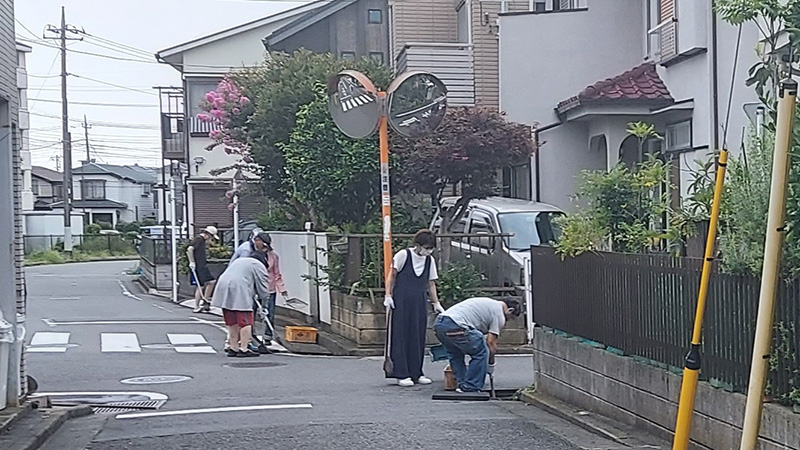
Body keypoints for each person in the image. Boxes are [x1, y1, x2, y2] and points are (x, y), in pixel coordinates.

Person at [384, 229, 445, 387]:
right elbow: (392, 275)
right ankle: (401, 373)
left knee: (418, 336)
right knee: (400, 335)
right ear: (417, 245)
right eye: (426, 247)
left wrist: (436, 303)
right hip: (401, 301)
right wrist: (388, 295)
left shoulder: (429, 261)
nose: (428, 251)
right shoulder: (403, 255)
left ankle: (416, 372)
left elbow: (431, 283)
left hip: (419, 302)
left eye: (431, 248)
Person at [433, 297, 521, 393]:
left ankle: (462, 384)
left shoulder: (487, 302)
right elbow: (491, 343)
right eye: (510, 318)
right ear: (510, 310)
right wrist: (491, 364)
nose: (507, 321)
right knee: (481, 352)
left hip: (439, 324)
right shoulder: (499, 313)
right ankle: (471, 386)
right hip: (456, 325)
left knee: (455, 354)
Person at [211, 252, 271, 358]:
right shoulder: (258, 265)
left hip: (223, 285)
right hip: (238, 287)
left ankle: (233, 347)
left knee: (232, 321)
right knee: (246, 321)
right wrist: (265, 303)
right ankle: (244, 348)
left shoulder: (239, 261)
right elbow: (263, 286)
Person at [187, 225, 218, 313]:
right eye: (211, 237)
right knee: (205, 284)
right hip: (199, 266)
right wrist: (192, 262)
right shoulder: (199, 239)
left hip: (201, 265)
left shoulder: (201, 240)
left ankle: (205, 301)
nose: (211, 239)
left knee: (205, 284)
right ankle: (199, 304)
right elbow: (190, 249)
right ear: (208, 234)